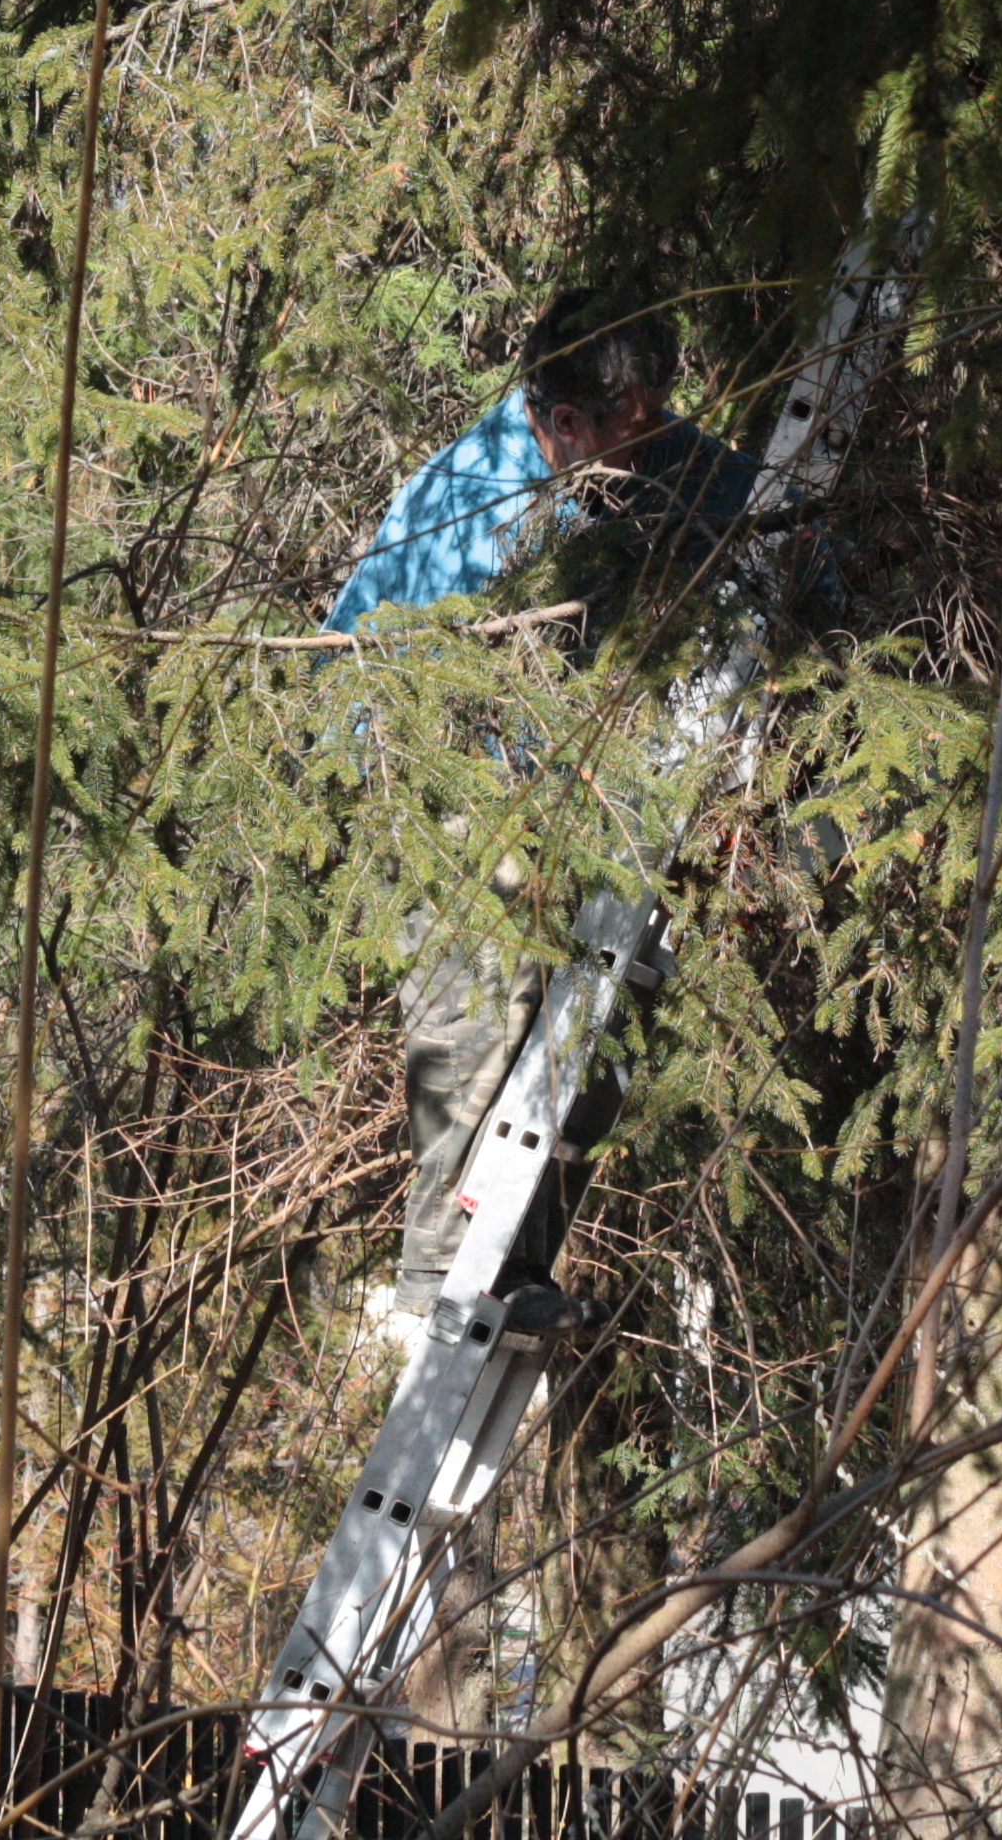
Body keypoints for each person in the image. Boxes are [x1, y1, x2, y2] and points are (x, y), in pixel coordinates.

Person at [325, 286, 760, 1312]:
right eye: (631, 432)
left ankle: (519, 1263)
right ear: (565, 422)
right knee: (481, 1001)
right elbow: (374, 696)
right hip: (452, 786)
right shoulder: (469, 510)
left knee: (611, 1008)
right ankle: (444, 1273)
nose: (649, 446)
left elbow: (753, 506)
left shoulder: (648, 453)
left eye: (657, 419)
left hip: (592, 795)